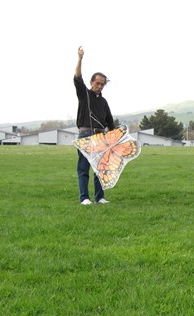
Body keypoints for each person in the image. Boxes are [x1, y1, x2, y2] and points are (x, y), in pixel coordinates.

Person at [74, 46, 115, 205]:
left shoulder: (104, 102)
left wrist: (114, 137)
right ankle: (84, 198)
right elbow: (77, 78)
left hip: (101, 137)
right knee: (83, 168)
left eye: (102, 84)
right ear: (91, 82)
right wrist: (80, 59)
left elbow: (110, 122)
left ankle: (100, 197)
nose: (99, 86)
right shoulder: (84, 95)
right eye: (97, 83)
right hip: (85, 135)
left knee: (100, 168)